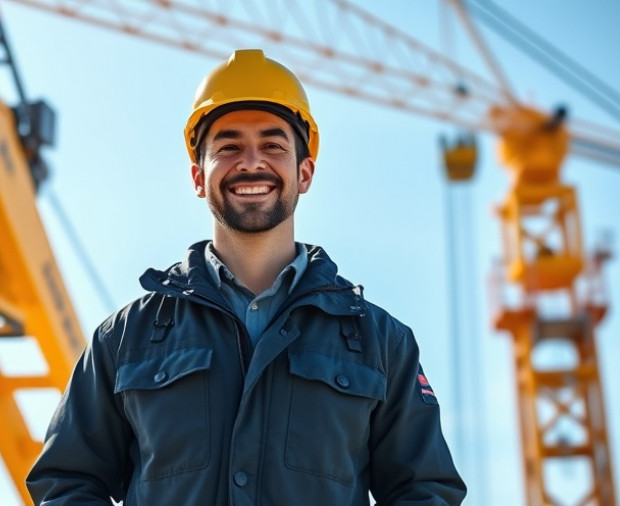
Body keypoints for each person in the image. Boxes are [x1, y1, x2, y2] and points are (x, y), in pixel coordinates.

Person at [26, 49, 466, 505]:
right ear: (199, 177)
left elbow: (424, 490)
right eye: (229, 147)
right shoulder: (124, 339)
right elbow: (67, 482)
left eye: (273, 145)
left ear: (305, 172)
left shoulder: (381, 342)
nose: (251, 163)